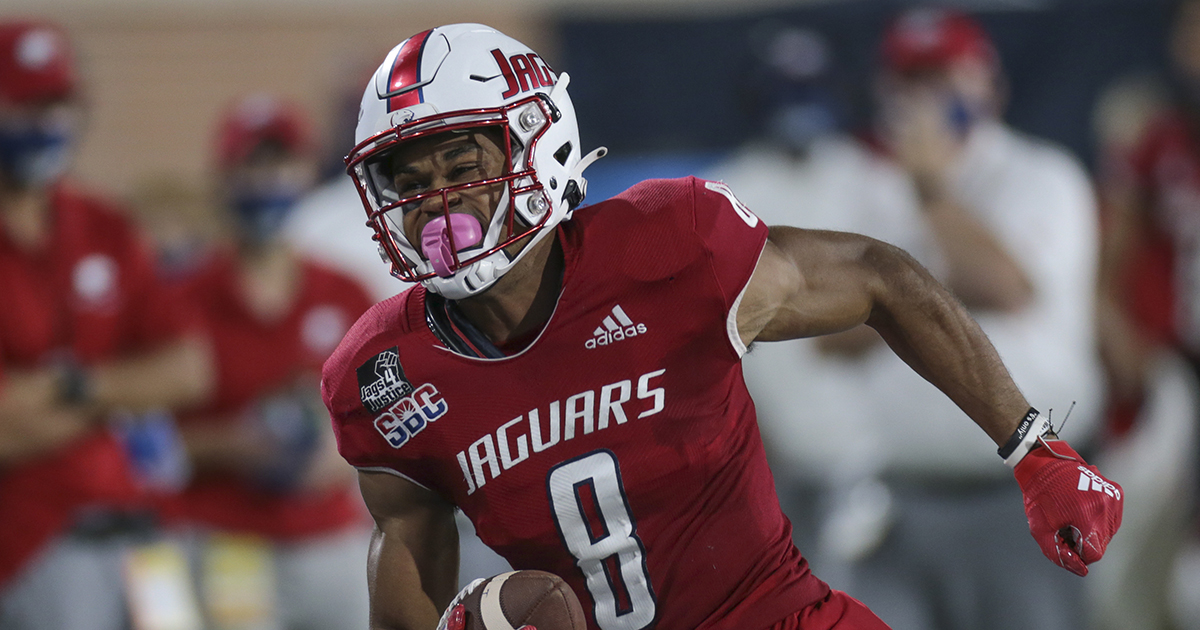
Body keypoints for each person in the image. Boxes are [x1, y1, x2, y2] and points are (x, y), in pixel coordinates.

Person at [320, 23, 1123, 630]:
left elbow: (883, 277)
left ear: (537, 142)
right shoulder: (386, 373)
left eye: (463, 168)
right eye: (410, 183)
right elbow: (407, 540)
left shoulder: (667, 245)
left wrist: (1032, 447)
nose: (437, 205)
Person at [806, 9, 1108, 630]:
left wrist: (928, 196)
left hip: (1024, 493)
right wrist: (900, 293)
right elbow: (828, 338)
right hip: (898, 494)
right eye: (909, 80)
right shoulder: (862, 185)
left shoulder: (1042, 175)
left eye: (944, 78)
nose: (924, 100)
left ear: (988, 86)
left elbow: (1005, 285)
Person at [0, 20, 213, 629]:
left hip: (149, 531)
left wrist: (72, 388)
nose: (48, 122)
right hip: (40, 541)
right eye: (27, 103)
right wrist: (123, 395)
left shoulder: (103, 225)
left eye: (59, 103)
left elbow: (188, 369)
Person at [163, 94, 375, 630]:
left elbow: (385, 412)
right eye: (252, 166)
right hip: (226, 537)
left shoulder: (344, 292)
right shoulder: (182, 298)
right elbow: (137, 438)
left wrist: (337, 451)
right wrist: (231, 443)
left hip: (328, 534)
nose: (266, 182)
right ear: (224, 175)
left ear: (305, 170)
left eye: (279, 164)